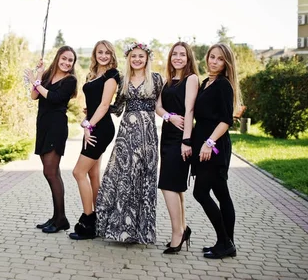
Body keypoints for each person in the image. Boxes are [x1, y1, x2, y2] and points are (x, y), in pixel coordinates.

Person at [95, 42, 163, 244]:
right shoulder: (123, 80)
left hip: (147, 137)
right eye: (133, 56)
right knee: (123, 177)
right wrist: (94, 112)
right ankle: (121, 230)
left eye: (141, 56)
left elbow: (161, 106)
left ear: (147, 58)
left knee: (143, 178)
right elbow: (116, 108)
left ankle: (141, 232)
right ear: (129, 58)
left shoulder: (157, 79)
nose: (137, 59)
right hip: (126, 137)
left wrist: (172, 117)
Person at [191, 43, 241, 259]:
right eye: (212, 57)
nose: (214, 61)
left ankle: (224, 242)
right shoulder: (206, 83)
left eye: (220, 59)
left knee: (201, 192)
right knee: (222, 194)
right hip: (206, 143)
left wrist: (208, 143)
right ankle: (227, 243)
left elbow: (226, 120)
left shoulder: (222, 85)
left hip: (213, 147)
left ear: (226, 63)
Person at [68, 41, 120, 240]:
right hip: (92, 125)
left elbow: (105, 104)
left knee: (78, 172)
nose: (104, 56)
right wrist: (87, 119)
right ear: (95, 54)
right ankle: (101, 220)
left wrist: (89, 125)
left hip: (100, 128)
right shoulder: (93, 74)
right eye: (100, 52)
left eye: (107, 52)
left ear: (112, 55)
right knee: (93, 175)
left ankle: (89, 220)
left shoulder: (112, 75)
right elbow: (93, 104)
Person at [25, 46, 78, 233]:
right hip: (43, 125)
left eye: (70, 60)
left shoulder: (70, 80)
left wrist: (36, 82)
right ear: (58, 58)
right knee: (52, 172)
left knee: (51, 172)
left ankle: (61, 218)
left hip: (56, 127)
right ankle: (57, 217)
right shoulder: (47, 75)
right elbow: (33, 96)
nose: (66, 62)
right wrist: (39, 74)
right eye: (64, 58)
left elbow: (54, 98)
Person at [156, 42, 199, 254]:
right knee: (175, 186)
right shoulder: (167, 80)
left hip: (182, 138)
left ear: (189, 57)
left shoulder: (191, 79)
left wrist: (187, 140)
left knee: (167, 185)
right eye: (175, 54)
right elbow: (158, 107)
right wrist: (169, 117)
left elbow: (190, 110)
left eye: (182, 54)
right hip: (167, 136)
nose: (178, 58)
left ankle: (177, 234)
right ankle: (183, 228)